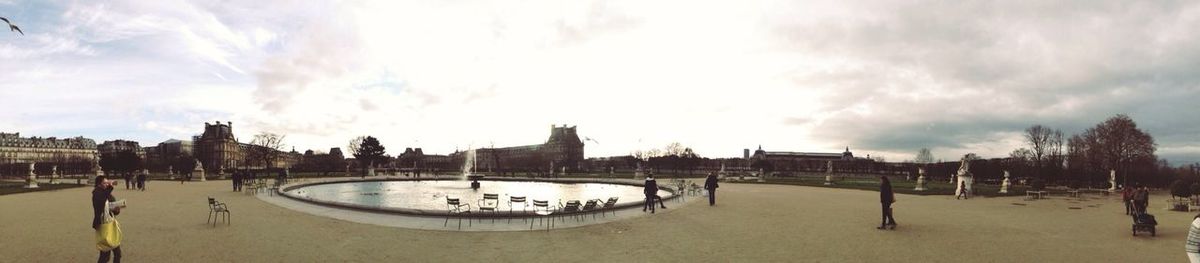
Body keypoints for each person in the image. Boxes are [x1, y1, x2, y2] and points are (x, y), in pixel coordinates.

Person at [91, 176, 122, 262]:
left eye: (107, 183)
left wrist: (117, 209)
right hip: (103, 224)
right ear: (99, 184)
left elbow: (113, 207)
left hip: (111, 224)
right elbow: (101, 201)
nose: (106, 185)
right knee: (105, 255)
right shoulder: (97, 193)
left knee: (117, 253)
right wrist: (110, 187)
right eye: (104, 183)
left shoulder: (107, 194)